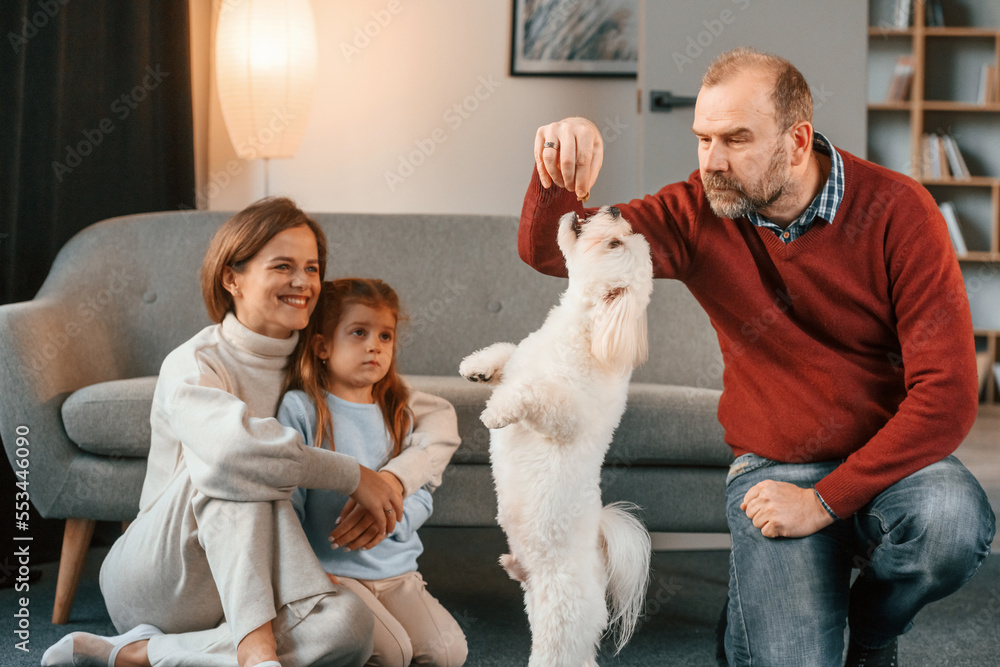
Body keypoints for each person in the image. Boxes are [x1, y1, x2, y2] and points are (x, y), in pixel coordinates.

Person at [519, 47, 996, 667]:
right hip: (774, 468)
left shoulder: (900, 213)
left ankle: (873, 632)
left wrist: (825, 500)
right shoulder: (698, 209)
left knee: (952, 525)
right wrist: (558, 167)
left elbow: (949, 394)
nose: (712, 162)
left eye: (736, 139)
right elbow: (555, 254)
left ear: (797, 141)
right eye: (703, 139)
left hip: (893, 464)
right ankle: (758, 602)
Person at [41, 197, 461, 667]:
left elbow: (438, 414)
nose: (303, 282)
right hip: (164, 578)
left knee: (349, 628)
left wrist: (396, 479)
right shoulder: (195, 363)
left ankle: (143, 654)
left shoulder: (319, 354)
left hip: (256, 586)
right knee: (240, 467)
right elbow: (232, 456)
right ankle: (256, 652)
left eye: (312, 268)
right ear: (232, 277)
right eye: (284, 266)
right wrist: (354, 475)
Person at [279, 278, 468, 667]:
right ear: (323, 347)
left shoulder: (398, 411)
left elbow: (422, 493)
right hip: (334, 572)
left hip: (397, 571)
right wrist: (306, 575)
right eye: (359, 332)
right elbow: (287, 501)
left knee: (449, 653)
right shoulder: (302, 409)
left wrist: (388, 517)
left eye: (385, 336)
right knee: (392, 654)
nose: (374, 346)